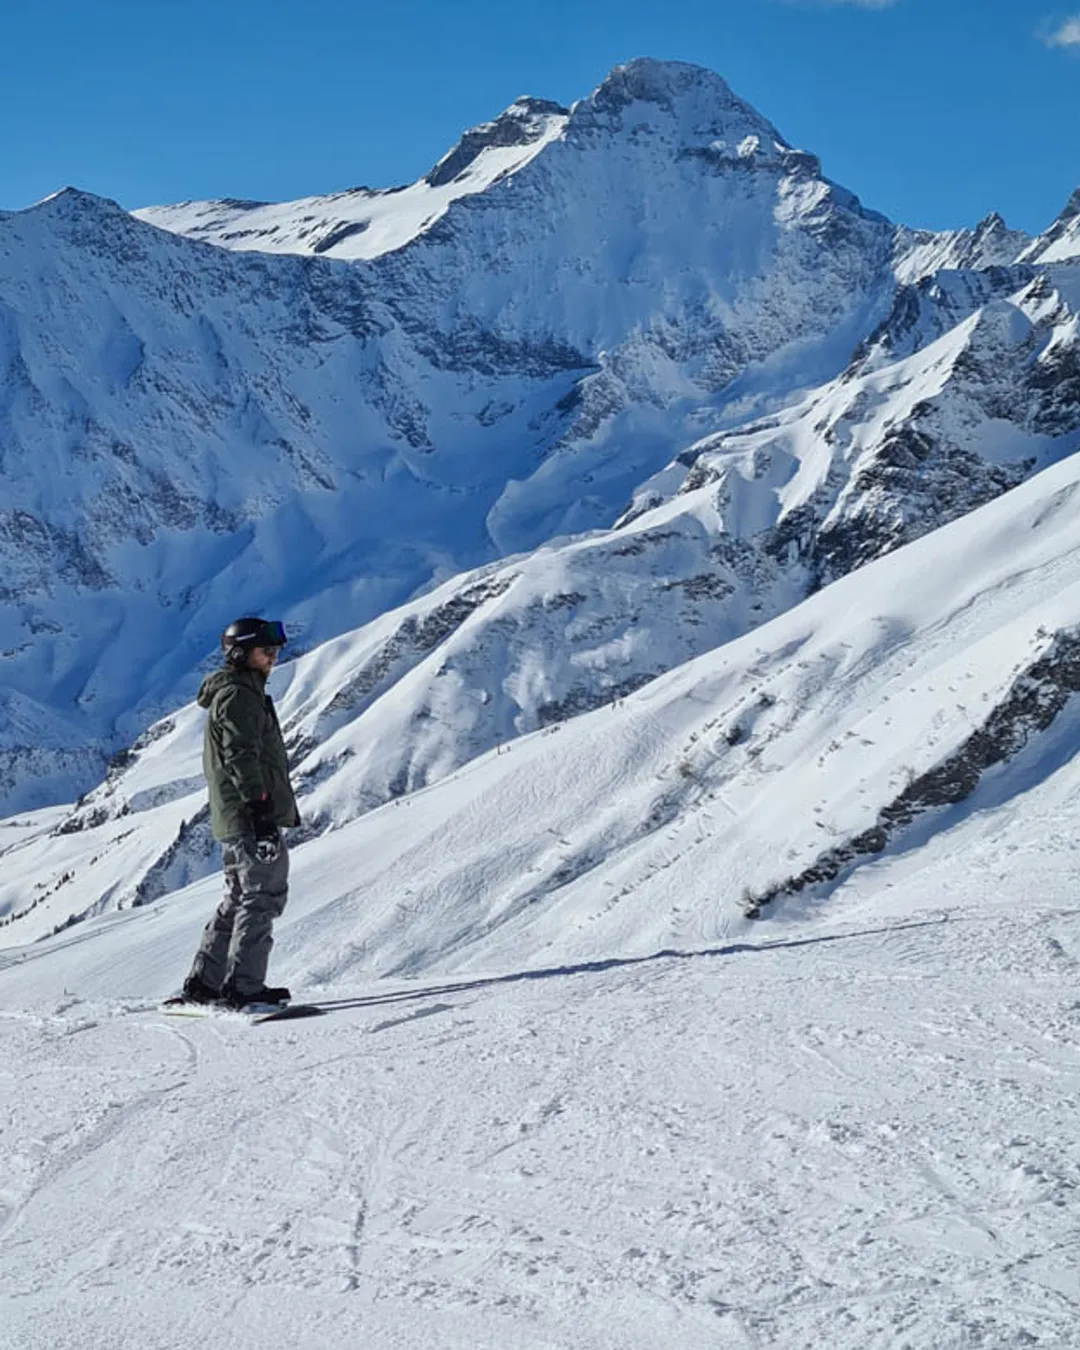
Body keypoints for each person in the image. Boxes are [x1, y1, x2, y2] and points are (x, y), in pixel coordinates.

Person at [178, 617, 301, 1009]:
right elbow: (240, 755)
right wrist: (260, 809)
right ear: (240, 654)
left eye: (276, 652)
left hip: (237, 816)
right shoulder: (239, 695)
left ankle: (206, 984)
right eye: (266, 652)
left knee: (239, 896)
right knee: (261, 895)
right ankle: (244, 988)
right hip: (248, 815)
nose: (272, 659)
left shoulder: (240, 691)